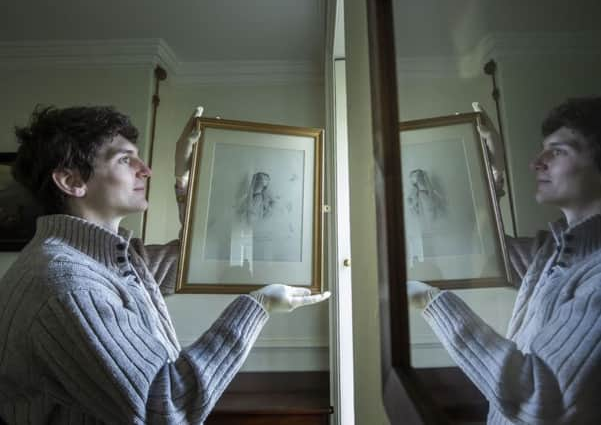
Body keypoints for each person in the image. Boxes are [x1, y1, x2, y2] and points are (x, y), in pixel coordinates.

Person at [0, 105, 330, 424]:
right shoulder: (67, 284)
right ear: (72, 181)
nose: (145, 169)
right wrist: (258, 306)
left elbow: (198, 256)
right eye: (125, 159)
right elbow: (165, 406)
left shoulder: (111, 259)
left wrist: (187, 174)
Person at [408, 97, 601, 424]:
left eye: (557, 151)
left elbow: (540, 400)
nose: (537, 162)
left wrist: (432, 300)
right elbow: (483, 248)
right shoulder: (552, 251)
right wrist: (489, 166)